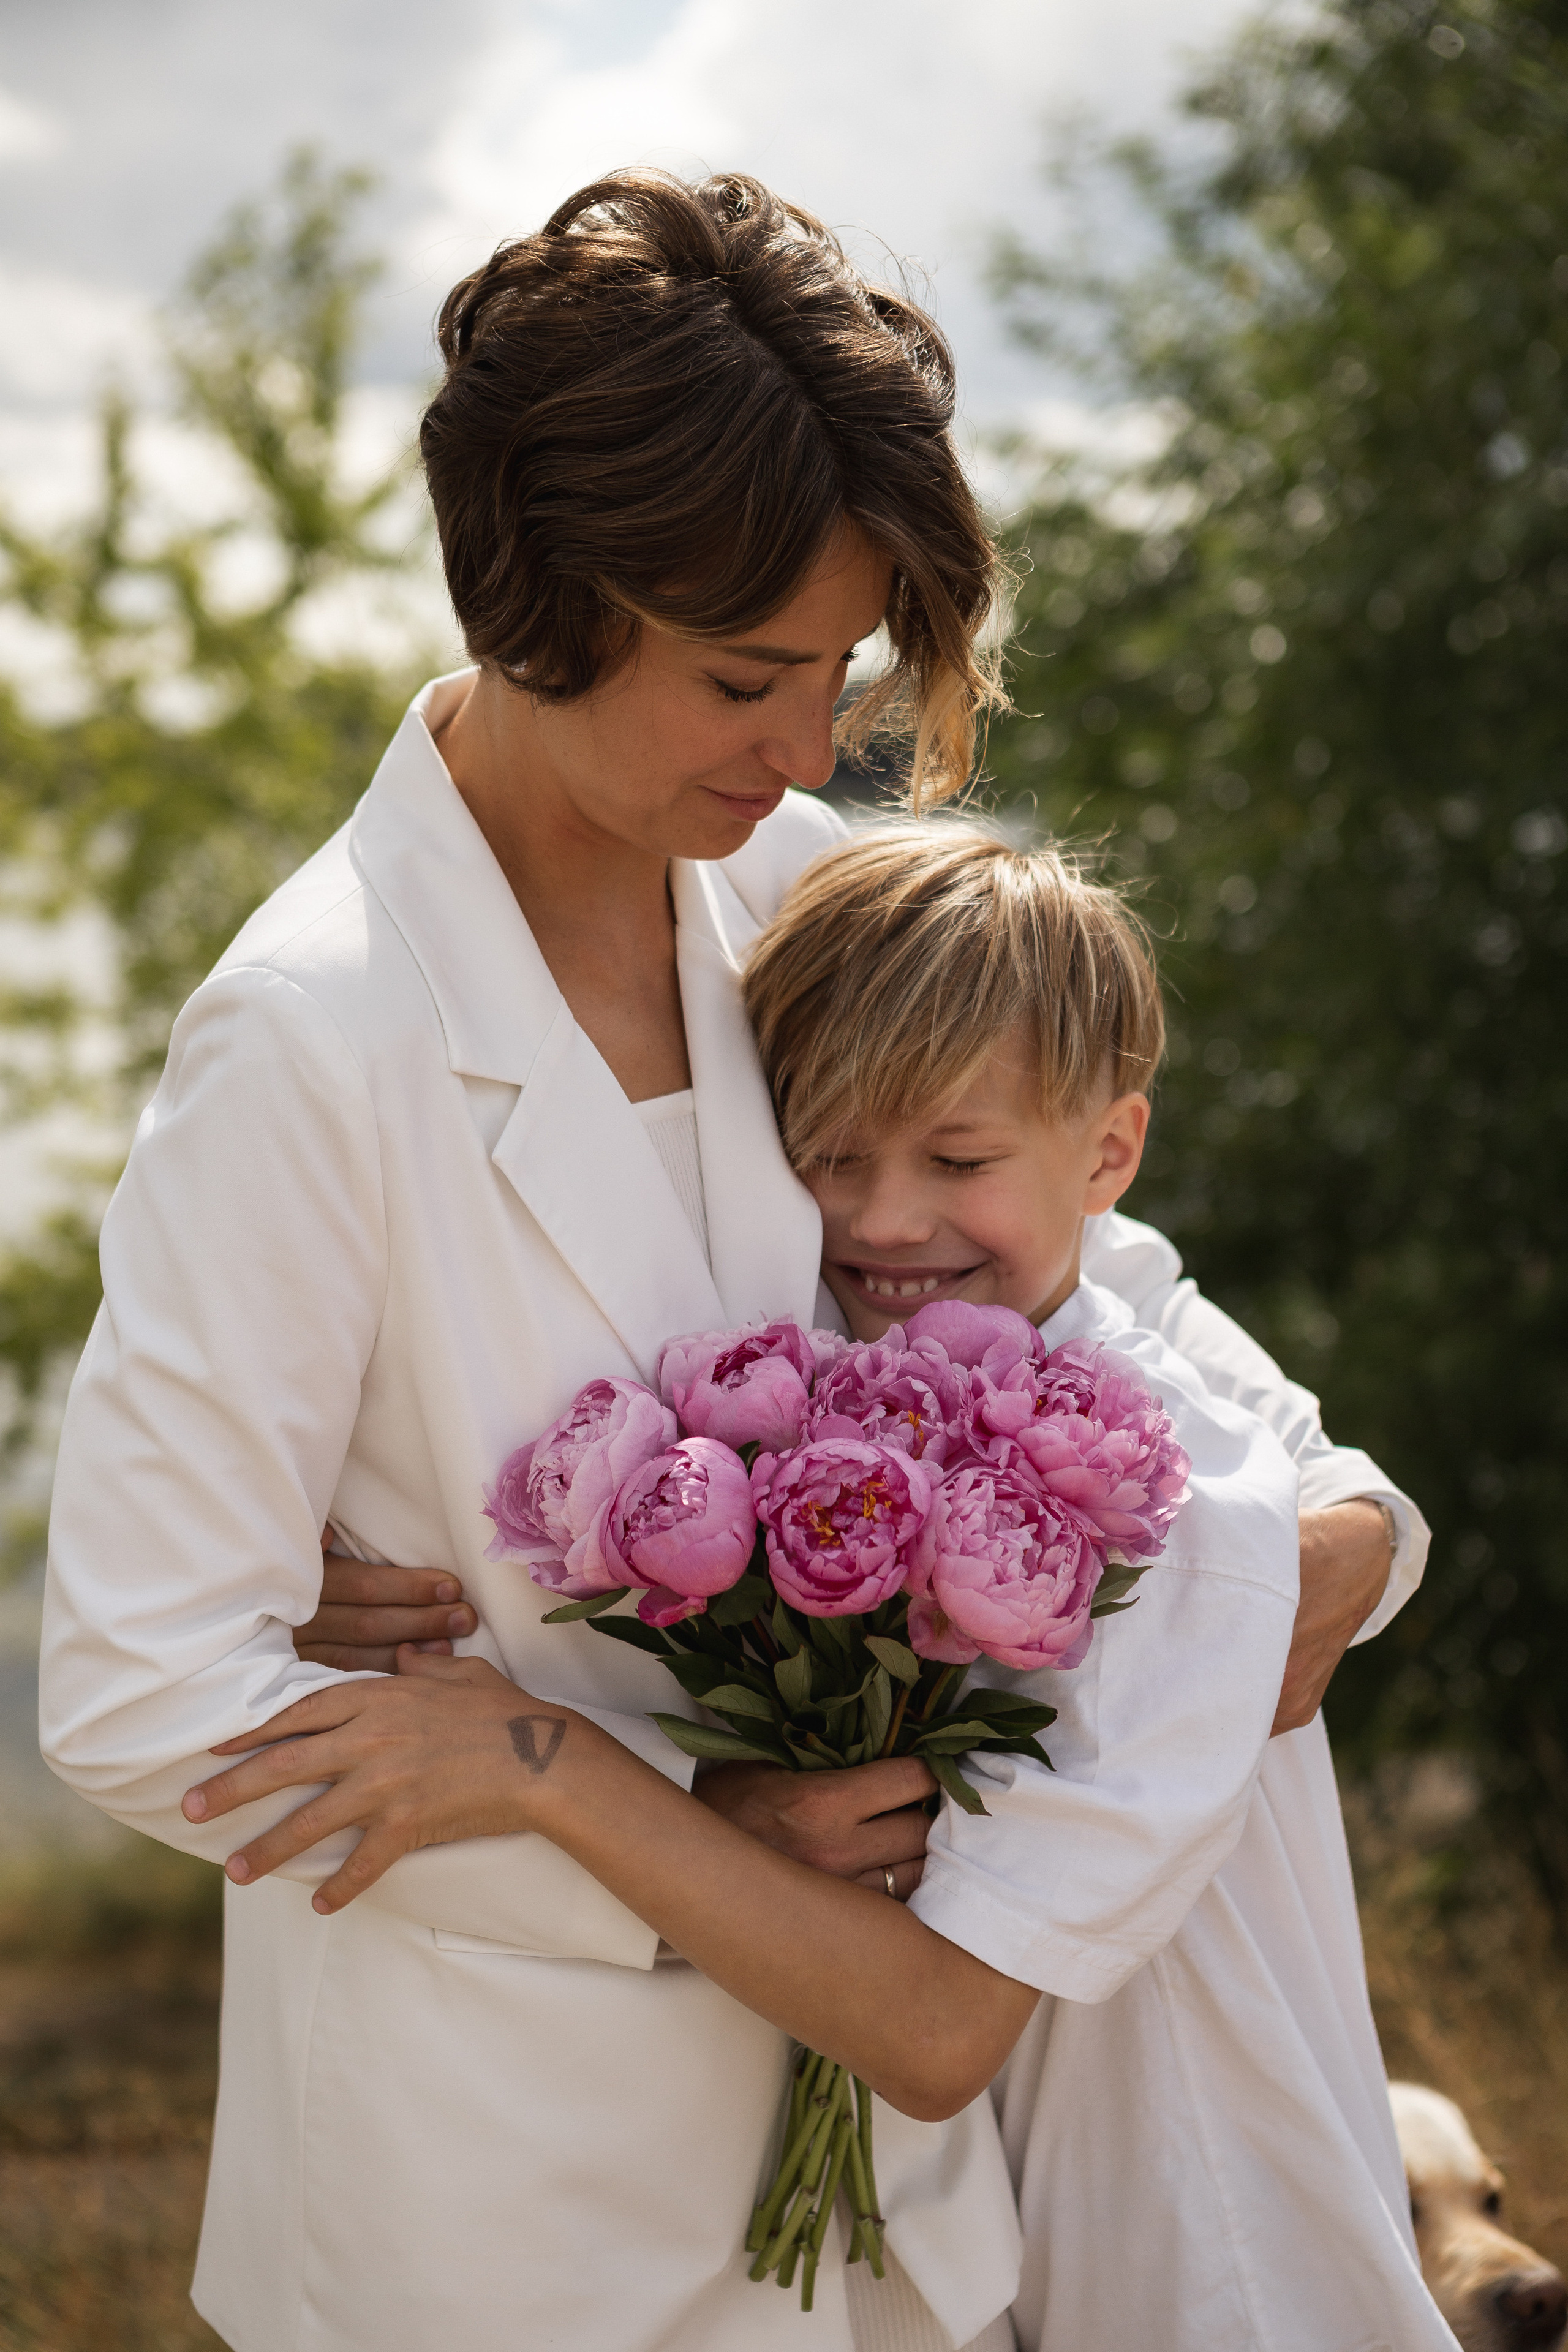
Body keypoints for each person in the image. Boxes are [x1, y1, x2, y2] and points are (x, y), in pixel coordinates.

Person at [37, 168, 1414, 2352]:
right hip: (505, 2221)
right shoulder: (313, 1040)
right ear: (538, 601)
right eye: (746, 679)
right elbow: (143, 1686)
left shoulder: (799, 895)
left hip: (915, 2216)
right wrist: (666, 1810)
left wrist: (1336, 1531)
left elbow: (1081, 1294)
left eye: (840, 673)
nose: (810, 749)